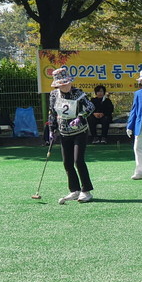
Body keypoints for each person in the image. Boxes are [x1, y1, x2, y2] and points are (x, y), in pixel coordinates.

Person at [48, 67, 95, 203]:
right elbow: (52, 112)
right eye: (62, 84)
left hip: (79, 131)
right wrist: (52, 129)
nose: (65, 86)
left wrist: (80, 117)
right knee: (67, 162)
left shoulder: (78, 93)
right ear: (57, 85)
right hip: (63, 132)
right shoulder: (54, 95)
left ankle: (86, 191)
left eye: (67, 83)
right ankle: (74, 190)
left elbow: (90, 107)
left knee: (78, 160)